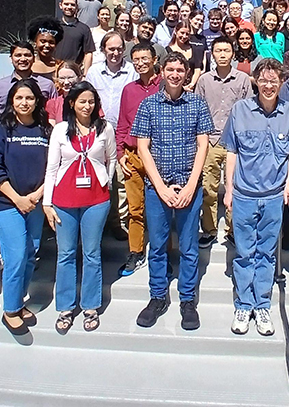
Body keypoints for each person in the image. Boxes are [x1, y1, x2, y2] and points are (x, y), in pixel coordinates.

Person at [132, 53, 214, 331]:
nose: (176, 73)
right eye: (171, 69)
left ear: (187, 73)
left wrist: (191, 186)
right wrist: (160, 187)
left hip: (189, 187)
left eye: (181, 69)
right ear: (162, 71)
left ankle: (187, 300)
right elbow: (143, 147)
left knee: (189, 248)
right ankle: (157, 296)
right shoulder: (148, 105)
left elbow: (203, 145)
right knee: (157, 247)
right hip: (158, 189)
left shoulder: (197, 104)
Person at [222, 59, 289, 336]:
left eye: (274, 81)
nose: (268, 86)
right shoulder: (240, 110)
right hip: (244, 194)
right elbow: (231, 151)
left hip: (274, 197)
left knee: (266, 253)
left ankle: (262, 305)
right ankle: (244, 304)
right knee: (244, 253)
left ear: (281, 83)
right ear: (255, 81)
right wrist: (229, 189)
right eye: (263, 80)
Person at [43, 82, 116, 334]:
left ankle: (91, 305)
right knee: (65, 254)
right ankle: (65, 307)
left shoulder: (104, 128)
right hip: (64, 200)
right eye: (82, 101)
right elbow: (52, 169)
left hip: (96, 199)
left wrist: (106, 183)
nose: (87, 106)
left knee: (92, 253)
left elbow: (111, 159)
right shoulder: (61, 130)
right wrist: (47, 202)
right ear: (71, 103)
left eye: (91, 101)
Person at [0, 79, 51, 335]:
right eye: (19, 98)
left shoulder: (45, 130)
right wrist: (18, 198)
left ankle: (19, 302)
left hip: (34, 202)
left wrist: (37, 195)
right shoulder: (1, 131)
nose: (24, 103)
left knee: (31, 253)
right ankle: (10, 310)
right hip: (6, 204)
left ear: (37, 101)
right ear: (12, 101)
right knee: (16, 256)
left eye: (30, 98)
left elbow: (52, 168)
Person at [195, 37, 253, 248]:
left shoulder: (243, 79)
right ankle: (209, 230)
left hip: (234, 143)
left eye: (226, 50)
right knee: (208, 188)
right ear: (212, 53)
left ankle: (232, 229)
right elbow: (198, 110)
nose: (222, 54)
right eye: (218, 50)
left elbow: (248, 112)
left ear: (232, 53)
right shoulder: (204, 80)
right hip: (209, 140)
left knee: (234, 187)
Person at [85, 31, 138, 239]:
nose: (115, 53)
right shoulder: (94, 72)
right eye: (111, 49)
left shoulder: (132, 72)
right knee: (97, 176)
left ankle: (118, 222)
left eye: (118, 49)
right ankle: (98, 221)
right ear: (103, 50)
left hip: (123, 132)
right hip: (98, 131)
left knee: (119, 180)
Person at [115, 42, 162, 277]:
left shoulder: (165, 86)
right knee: (135, 208)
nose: (141, 63)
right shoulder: (129, 90)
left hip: (158, 156)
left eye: (145, 58)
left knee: (160, 209)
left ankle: (161, 254)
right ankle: (135, 251)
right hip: (133, 156)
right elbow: (123, 123)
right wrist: (120, 153)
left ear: (154, 59)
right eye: (136, 59)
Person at [0, 40, 57, 139]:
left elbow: (55, 114)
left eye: (27, 55)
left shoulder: (47, 85)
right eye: (18, 55)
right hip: (6, 139)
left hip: (38, 139)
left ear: (34, 58)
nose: (23, 59)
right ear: (11, 58)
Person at [53, 0, 94, 74]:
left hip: (74, 72)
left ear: (76, 7)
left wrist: (85, 75)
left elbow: (88, 53)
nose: (69, 7)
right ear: (60, 5)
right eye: (66, 4)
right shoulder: (53, 26)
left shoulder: (84, 29)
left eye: (72, 5)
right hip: (53, 70)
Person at [167, 19, 205, 90]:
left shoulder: (194, 49)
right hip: (174, 88)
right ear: (176, 32)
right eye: (182, 33)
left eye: (187, 34)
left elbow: (197, 69)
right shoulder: (168, 50)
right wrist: (182, 88)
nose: (184, 36)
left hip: (193, 87)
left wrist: (191, 84)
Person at [28, 16, 64, 81]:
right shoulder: (27, 64)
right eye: (43, 41)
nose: (47, 45)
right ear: (35, 42)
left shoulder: (60, 66)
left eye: (51, 42)